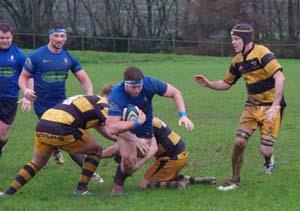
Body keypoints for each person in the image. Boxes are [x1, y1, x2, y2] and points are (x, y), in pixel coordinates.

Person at [194, 23, 285, 191]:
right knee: (239, 142)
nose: (233, 42)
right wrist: (208, 84)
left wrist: (275, 105)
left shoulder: (262, 53)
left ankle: (268, 158)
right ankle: (234, 179)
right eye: (232, 39)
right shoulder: (237, 60)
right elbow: (226, 83)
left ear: (246, 39)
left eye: (236, 39)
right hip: (251, 106)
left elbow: (280, 76)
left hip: (270, 107)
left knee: (265, 149)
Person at [0, 94, 146, 196]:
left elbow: (109, 133)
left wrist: (126, 141)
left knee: (36, 163)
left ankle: (8, 192)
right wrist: (134, 133)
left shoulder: (92, 103)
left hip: (43, 124)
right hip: (62, 127)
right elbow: (113, 128)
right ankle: (81, 189)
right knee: (96, 149)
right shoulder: (105, 106)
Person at [107, 66, 194, 195]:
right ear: (126, 84)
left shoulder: (149, 83)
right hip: (125, 129)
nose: (137, 90)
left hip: (145, 129)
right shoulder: (116, 95)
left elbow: (175, 93)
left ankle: (120, 163)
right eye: (133, 87)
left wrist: (183, 115)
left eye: (139, 86)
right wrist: (136, 122)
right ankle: (118, 185)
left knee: (136, 157)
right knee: (128, 160)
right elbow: (112, 127)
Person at [18, 21, 93, 167]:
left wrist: (89, 96)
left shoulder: (68, 57)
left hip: (62, 104)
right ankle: (88, 171)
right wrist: (26, 90)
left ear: (66, 37)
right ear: (50, 37)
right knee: (61, 135)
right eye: (56, 35)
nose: (60, 39)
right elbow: (23, 77)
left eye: (62, 36)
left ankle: (84, 168)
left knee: (66, 134)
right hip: (42, 105)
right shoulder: (36, 56)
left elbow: (85, 80)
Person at [102, 116, 216, 191]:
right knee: (161, 175)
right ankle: (197, 180)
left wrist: (138, 164)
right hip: (178, 155)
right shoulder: (145, 117)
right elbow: (120, 147)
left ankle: (179, 183)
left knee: (144, 184)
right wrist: (99, 154)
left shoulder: (143, 124)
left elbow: (153, 148)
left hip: (171, 158)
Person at [0, 23, 30, 158]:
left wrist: (27, 95)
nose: (5, 41)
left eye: (7, 38)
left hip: (9, 99)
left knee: (2, 135)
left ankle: (2, 144)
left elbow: (28, 76)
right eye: (1, 38)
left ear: (12, 37)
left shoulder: (19, 55)